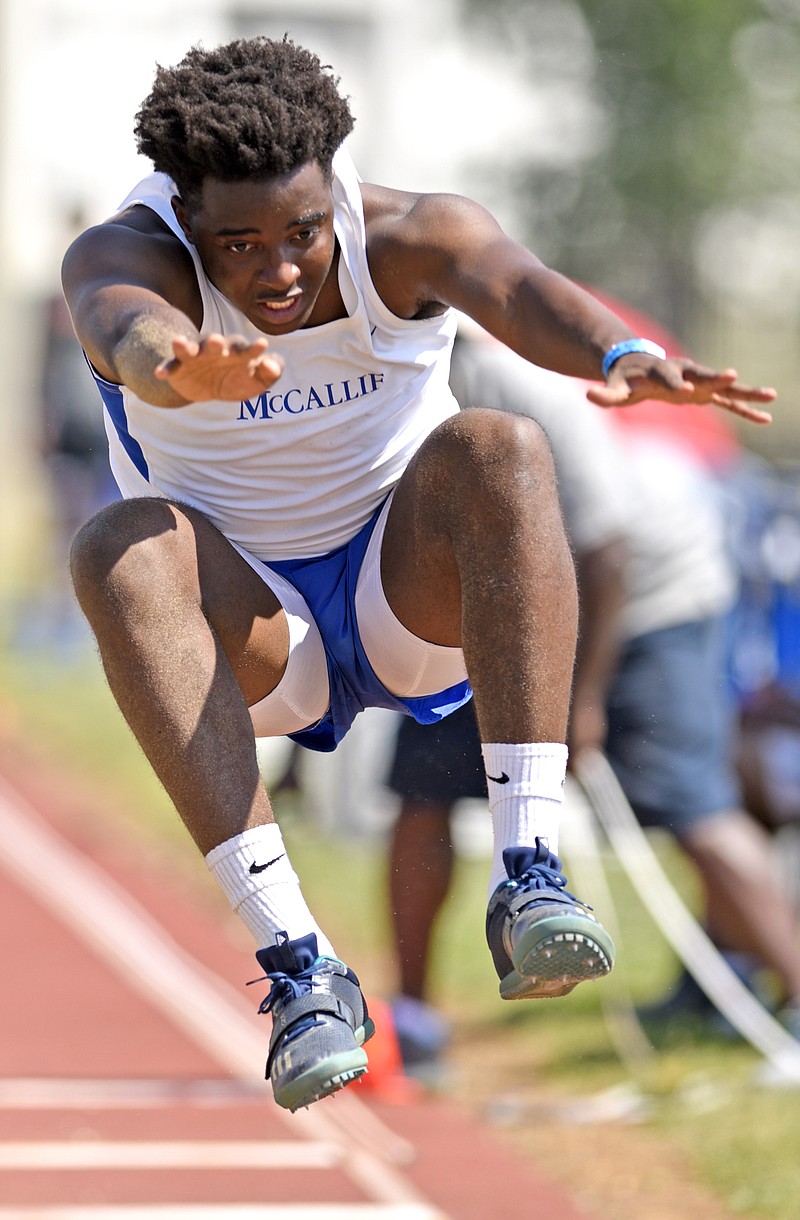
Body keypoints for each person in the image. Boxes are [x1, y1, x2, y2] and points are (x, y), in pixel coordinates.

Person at [60, 35, 775, 1112]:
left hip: (411, 600)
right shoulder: (123, 253)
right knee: (116, 543)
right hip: (259, 633)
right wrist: (174, 360)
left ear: (334, 195)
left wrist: (621, 356)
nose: (279, 271)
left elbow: (518, 287)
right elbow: (124, 325)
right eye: (237, 245)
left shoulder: (406, 233)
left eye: (300, 233)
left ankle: (528, 873)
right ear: (183, 215)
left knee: (500, 446)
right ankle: (301, 966)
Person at [386, 329, 800, 1070]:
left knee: (689, 802)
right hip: (491, 606)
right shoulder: (362, 386)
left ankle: (795, 1002)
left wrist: (584, 700)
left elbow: (607, 547)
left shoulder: (520, 389)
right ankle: (412, 1018)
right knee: (423, 790)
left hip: (647, 597)